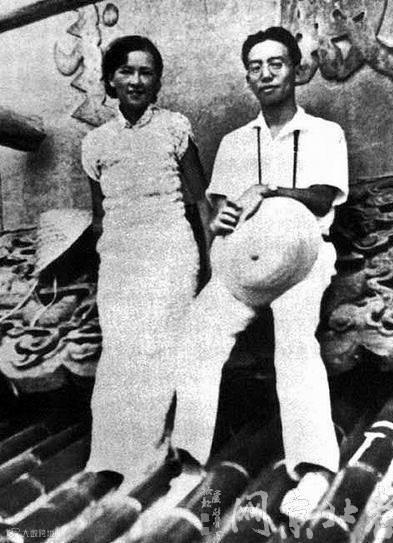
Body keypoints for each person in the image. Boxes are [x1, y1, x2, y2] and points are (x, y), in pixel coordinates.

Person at [206, 26, 348, 517]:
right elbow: (221, 210)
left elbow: (322, 198)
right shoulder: (233, 143)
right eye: (256, 67)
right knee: (199, 331)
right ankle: (191, 465)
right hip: (245, 263)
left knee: (294, 338)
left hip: (305, 257)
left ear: (296, 70)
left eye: (276, 63)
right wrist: (221, 218)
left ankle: (314, 469)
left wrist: (268, 190)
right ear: (248, 77)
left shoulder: (325, 133)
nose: (266, 74)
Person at [81, 35, 209, 491]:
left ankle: (149, 465)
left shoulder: (175, 128)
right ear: (110, 80)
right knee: (120, 355)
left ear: (157, 82)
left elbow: (200, 202)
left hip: (171, 252)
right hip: (119, 258)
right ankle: (109, 460)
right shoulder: (95, 142)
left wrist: (211, 264)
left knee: (159, 353)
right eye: (126, 71)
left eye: (146, 72)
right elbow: (99, 217)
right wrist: (101, 270)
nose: (136, 80)